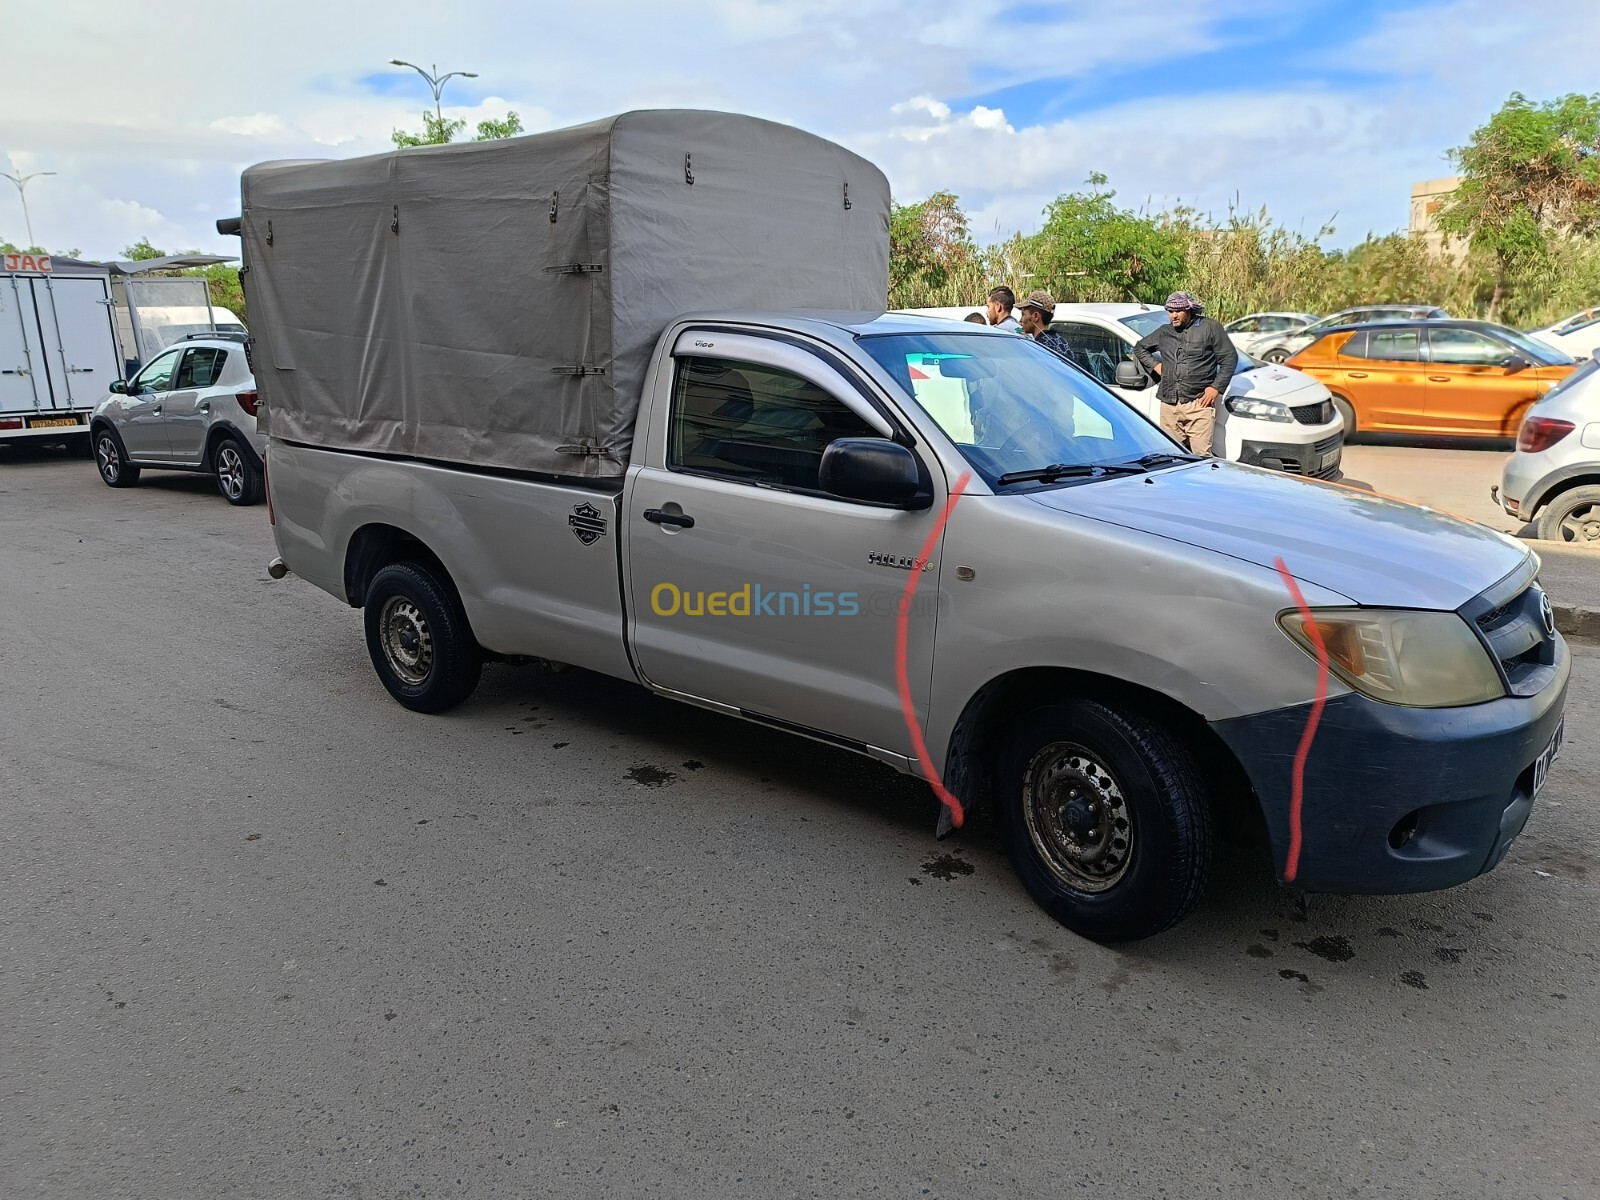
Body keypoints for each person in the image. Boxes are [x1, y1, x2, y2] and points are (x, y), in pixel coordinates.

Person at [1132, 291, 1237, 456]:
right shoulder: (1164, 332)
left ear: (1189, 310)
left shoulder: (1210, 327)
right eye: (1170, 311)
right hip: (1169, 405)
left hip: (1199, 403)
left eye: (1178, 311)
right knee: (1171, 456)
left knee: (1201, 457)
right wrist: (1156, 366)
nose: (1173, 316)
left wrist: (1216, 388)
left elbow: (1229, 358)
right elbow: (1140, 348)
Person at [1017, 290, 1077, 363]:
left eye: (1023, 314)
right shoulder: (1060, 340)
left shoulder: (1040, 347)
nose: (1020, 320)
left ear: (1035, 316)